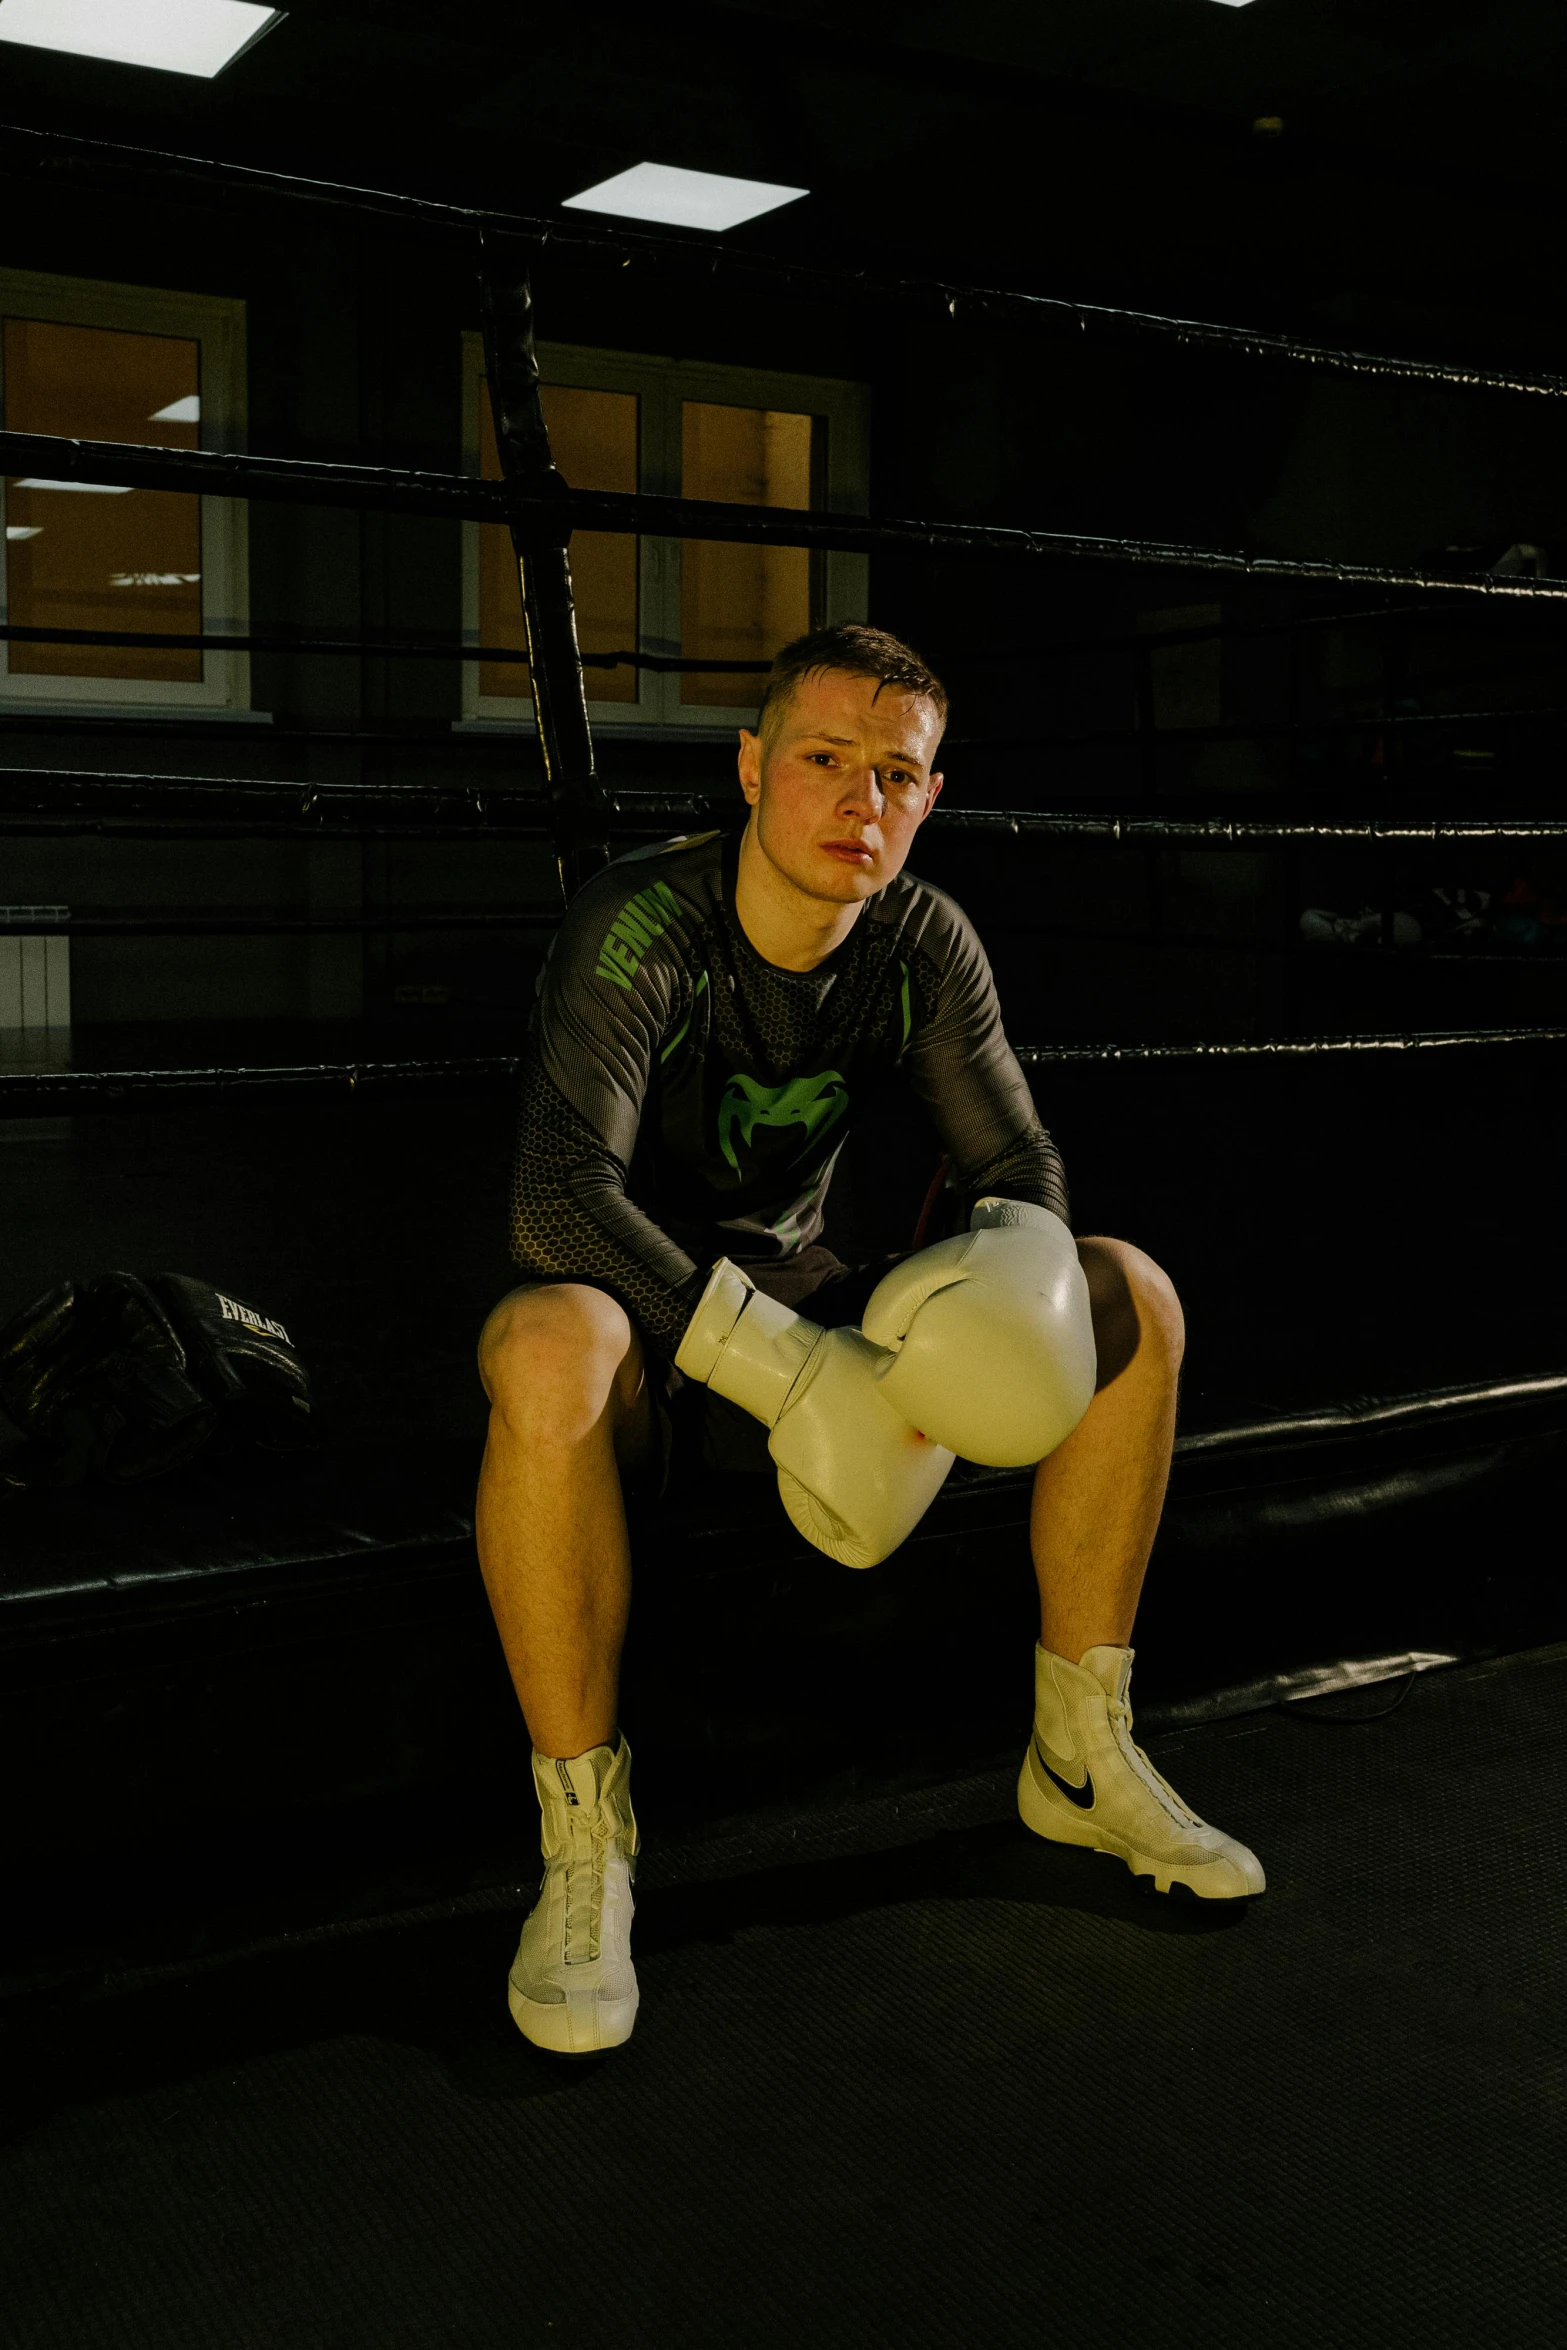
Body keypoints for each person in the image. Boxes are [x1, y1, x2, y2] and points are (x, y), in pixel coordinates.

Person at [477, 623, 1264, 2056]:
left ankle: (1079, 1747)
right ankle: (585, 1839)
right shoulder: (641, 922)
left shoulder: (918, 938)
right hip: (653, 1342)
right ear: (751, 766)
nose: (859, 803)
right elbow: (554, 1197)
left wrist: (1009, 1290)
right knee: (545, 1342)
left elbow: (1017, 1160)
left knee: (1125, 1291)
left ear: (930, 796)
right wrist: (785, 1367)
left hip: (816, 1298)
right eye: (826, 763)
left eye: (894, 775)